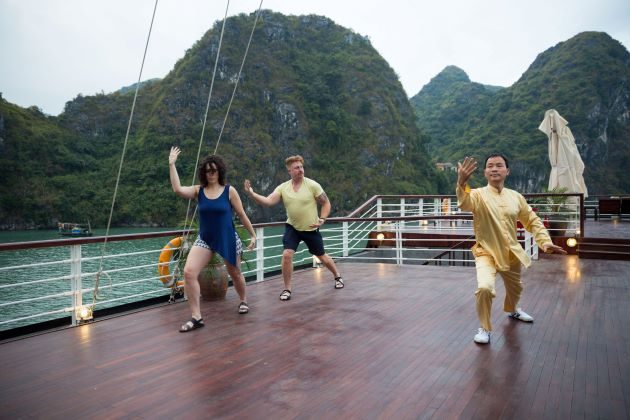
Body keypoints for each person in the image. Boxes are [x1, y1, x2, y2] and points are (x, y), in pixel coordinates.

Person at [456, 153, 566, 344]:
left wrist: (544, 242)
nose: (494, 169)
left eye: (499, 165)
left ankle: (513, 310)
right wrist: (461, 182)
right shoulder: (478, 195)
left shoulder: (516, 197)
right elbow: (465, 203)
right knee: (484, 288)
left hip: (511, 252)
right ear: (484, 172)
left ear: (507, 171)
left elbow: (531, 220)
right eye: (490, 166)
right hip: (486, 252)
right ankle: (484, 327)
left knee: (515, 289)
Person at [169, 146, 256, 332]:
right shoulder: (198, 190)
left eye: (214, 170)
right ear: (204, 173)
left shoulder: (229, 191)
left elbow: (241, 214)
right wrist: (172, 164)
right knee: (189, 272)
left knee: (235, 273)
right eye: (208, 171)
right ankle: (196, 317)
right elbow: (177, 189)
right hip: (206, 238)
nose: (211, 173)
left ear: (220, 171)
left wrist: (253, 235)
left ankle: (243, 300)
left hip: (227, 237)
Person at [244, 155, 343, 301]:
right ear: (289, 170)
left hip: (311, 228)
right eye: (297, 168)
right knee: (287, 255)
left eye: (302, 167)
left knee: (322, 256)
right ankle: (287, 289)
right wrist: (252, 194)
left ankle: (337, 276)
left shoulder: (313, 185)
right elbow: (268, 201)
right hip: (293, 228)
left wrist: (322, 219)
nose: (301, 170)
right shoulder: (283, 188)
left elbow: (326, 203)